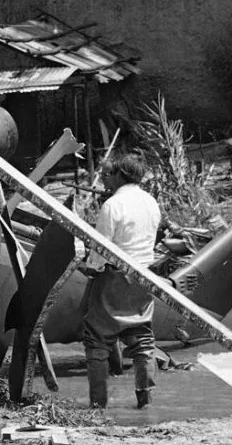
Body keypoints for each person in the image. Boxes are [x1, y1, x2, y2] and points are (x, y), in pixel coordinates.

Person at [80, 154, 161, 409]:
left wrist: (91, 267)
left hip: (115, 277)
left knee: (96, 339)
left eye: (108, 175)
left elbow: (101, 246)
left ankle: (98, 405)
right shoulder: (150, 202)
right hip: (144, 276)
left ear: (119, 175)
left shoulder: (113, 205)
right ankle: (145, 402)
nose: (106, 180)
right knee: (142, 339)